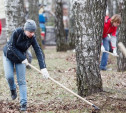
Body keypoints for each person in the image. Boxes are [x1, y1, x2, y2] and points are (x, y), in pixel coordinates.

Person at [3, 19, 50, 111]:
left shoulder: (32, 38)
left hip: (20, 60)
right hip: (8, 56)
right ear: (25, 29)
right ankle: (12, 88)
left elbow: (38, 51)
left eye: (33, 32)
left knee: (22, 81)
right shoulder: (17, 32)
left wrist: (43, 68)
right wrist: (23, 58)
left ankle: (23, 104)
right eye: (30, 31)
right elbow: (11, 46)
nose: (32, 34)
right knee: (9, 77)